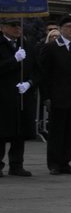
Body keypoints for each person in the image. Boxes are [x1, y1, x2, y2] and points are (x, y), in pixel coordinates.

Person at [38, 15, 71, 174]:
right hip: (58, 96)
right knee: (57, 132)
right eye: (69, 27)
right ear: (60, 29)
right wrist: (46, 96)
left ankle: (65, 162)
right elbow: (44, 74)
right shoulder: (52, 47)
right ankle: (54, 163)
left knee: (70, 132)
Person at [0, 15, 37, 176]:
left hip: (22, 95)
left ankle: (16, 164)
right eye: (13, 25)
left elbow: (37, 69)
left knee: (19, 132)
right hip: (3, 95)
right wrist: (13, 60)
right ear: (3, 27)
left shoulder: (27, 44)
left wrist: (30, 82)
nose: (17, 28)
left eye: (19, 25)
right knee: (1, 133)